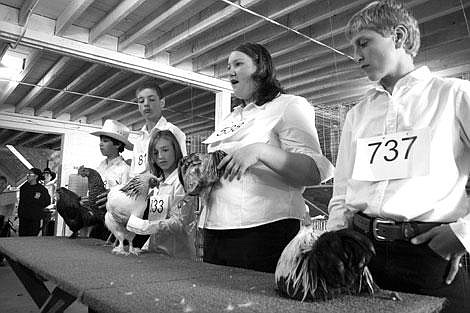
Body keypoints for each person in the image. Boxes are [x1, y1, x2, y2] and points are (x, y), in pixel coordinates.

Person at [326, 1, 470, 312]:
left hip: (431, 253)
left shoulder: (454, 95)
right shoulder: (357, 114)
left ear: (399, 36)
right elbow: (343, 188)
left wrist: (463, 233)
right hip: (361, 252)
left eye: (364, 43)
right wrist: (335, 239)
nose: (356, 56)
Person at [201, 42, 334, 273]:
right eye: (228, 66)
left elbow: (314, 171)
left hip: (263, 230)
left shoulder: (289, 106)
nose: (230, 71)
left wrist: (260, 151)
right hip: (216, 227)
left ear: (261, 69)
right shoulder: (232, 117)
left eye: (239, 64)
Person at [124, 129, 197, 259]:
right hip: (156, 252)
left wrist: (146, 227)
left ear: (175, 149)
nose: (160, 157)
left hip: (178, 255)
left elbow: (180, 222)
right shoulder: (156, 183)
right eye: (155, 153)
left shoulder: (184, 181)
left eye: (165, 150)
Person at [88, 119, 133, 240]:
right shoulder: (99, 167)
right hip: (98, 221)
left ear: (118, 144)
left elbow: (128, 201)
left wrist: (113, 196)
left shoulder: (126, 170)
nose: (100, 144)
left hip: (115, 225)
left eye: (105, 141)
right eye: (100, 141)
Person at [18, 168, 51, 236]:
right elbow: (25, 201)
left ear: (36, 176)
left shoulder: (42, 189)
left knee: (32, 238)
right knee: (22, 238)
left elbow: (47, 202)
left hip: (35, 218)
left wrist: (37, 200)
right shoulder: (24, 187)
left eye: (30, 174)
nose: (28, 176)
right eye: (27, 174)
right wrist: (35, 199)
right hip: (24, 218)